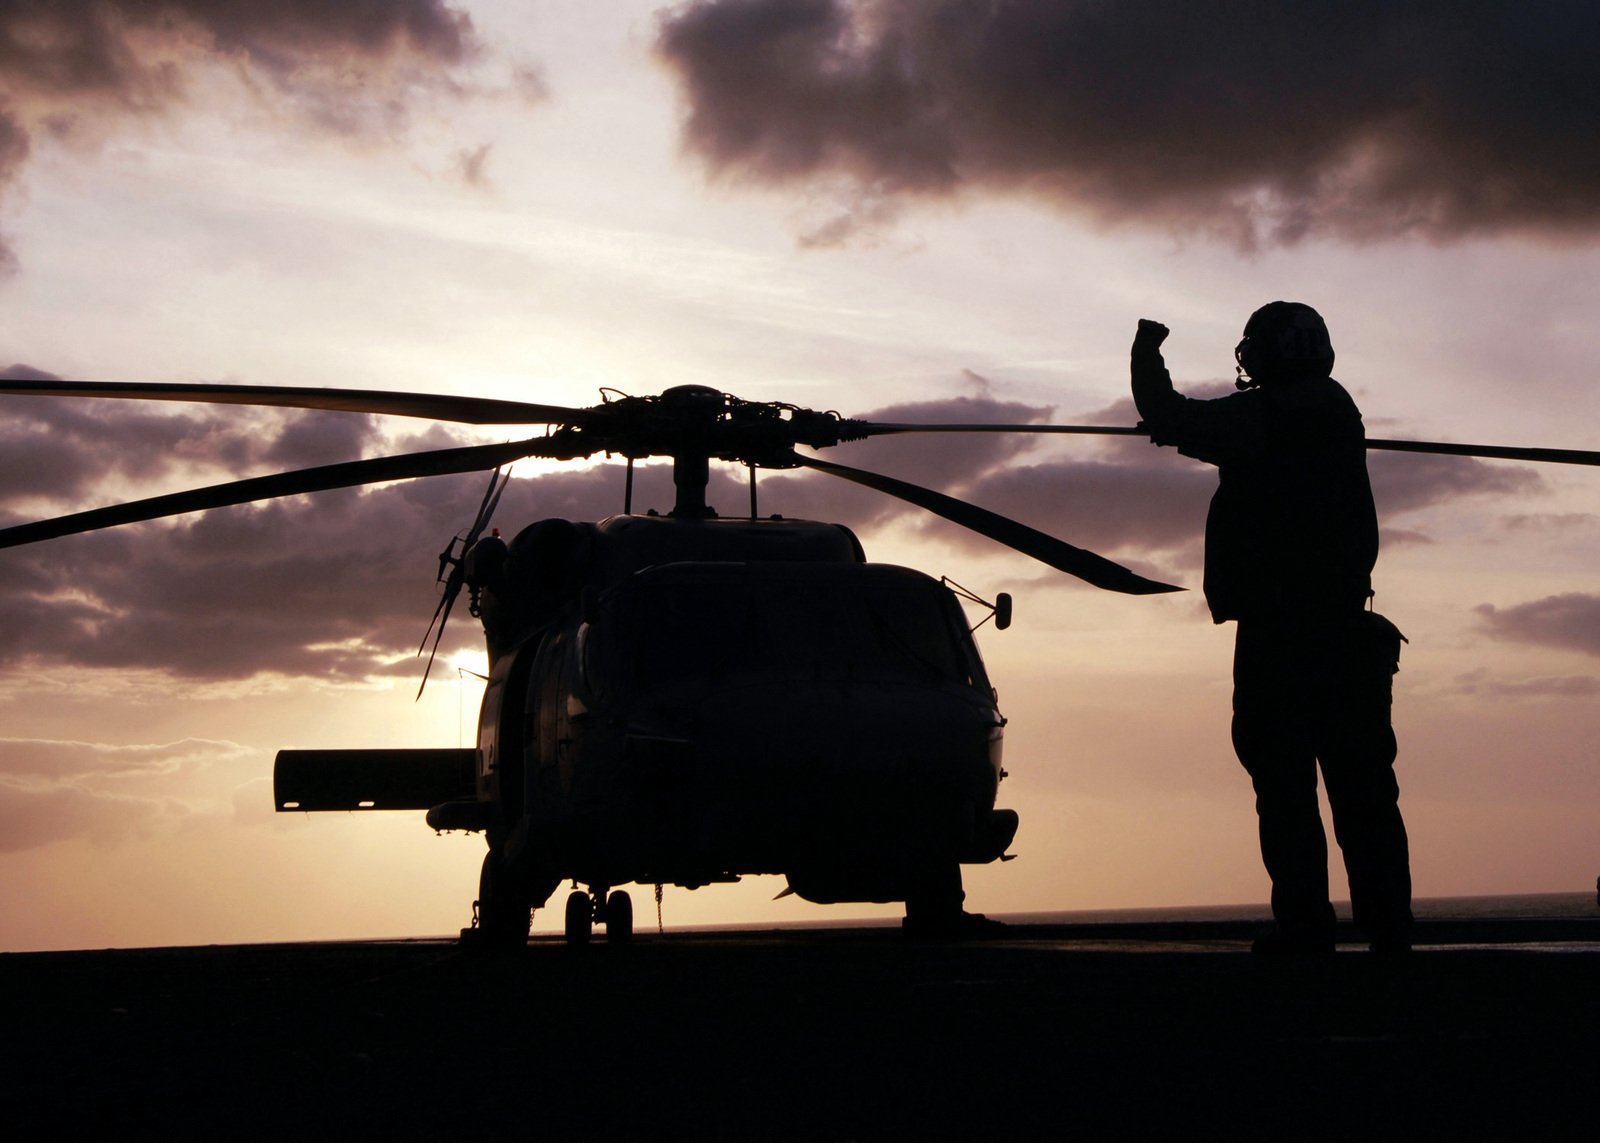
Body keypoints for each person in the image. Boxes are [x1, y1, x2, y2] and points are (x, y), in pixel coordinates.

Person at [1130, 302, 1414, 955]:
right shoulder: (1331, 406)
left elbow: (1170, 413)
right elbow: (1198, 429)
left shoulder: (1271, 412)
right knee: (1364, 787)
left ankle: (1306, 926)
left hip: (1282, 635)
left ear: (1265, 354)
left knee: (1285, 786)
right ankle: (1388, 926)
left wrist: (1147, 347)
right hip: (1345, 629)